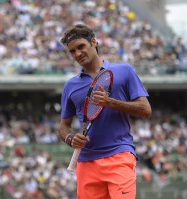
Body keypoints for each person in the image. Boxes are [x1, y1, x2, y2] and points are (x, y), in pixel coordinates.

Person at [57, 24, 152, 199]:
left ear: (94, 42)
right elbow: (64, 126)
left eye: (81, 47)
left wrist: (110, 102)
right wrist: (70, 138)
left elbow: (145, 110)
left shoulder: (125, 71)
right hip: (86, 162)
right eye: (72, 51)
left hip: (120, 155)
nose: (77, 54)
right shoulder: (70, 85)